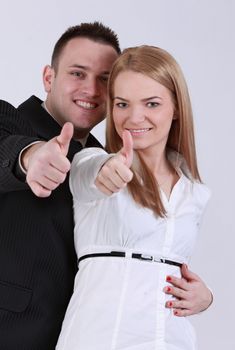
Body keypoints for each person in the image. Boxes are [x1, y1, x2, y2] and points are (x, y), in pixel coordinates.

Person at [0, 22, 212, 349]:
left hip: (89, 331)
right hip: (15, 331)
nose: (93, 90)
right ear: (48, 77)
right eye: (77, 73)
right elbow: (9, 150)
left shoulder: (109, 156)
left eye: (105, 80)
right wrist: (30, 156)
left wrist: (197, 292)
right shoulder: (12, 122)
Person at [56, 45, 211, 350]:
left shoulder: (195, 192)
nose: (134, 117)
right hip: (101, 340)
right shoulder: (92, 162)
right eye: (122, 104)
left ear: (177, 107)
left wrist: (205, 298)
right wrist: (107, 169)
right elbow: (90, 174)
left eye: (151, 103)